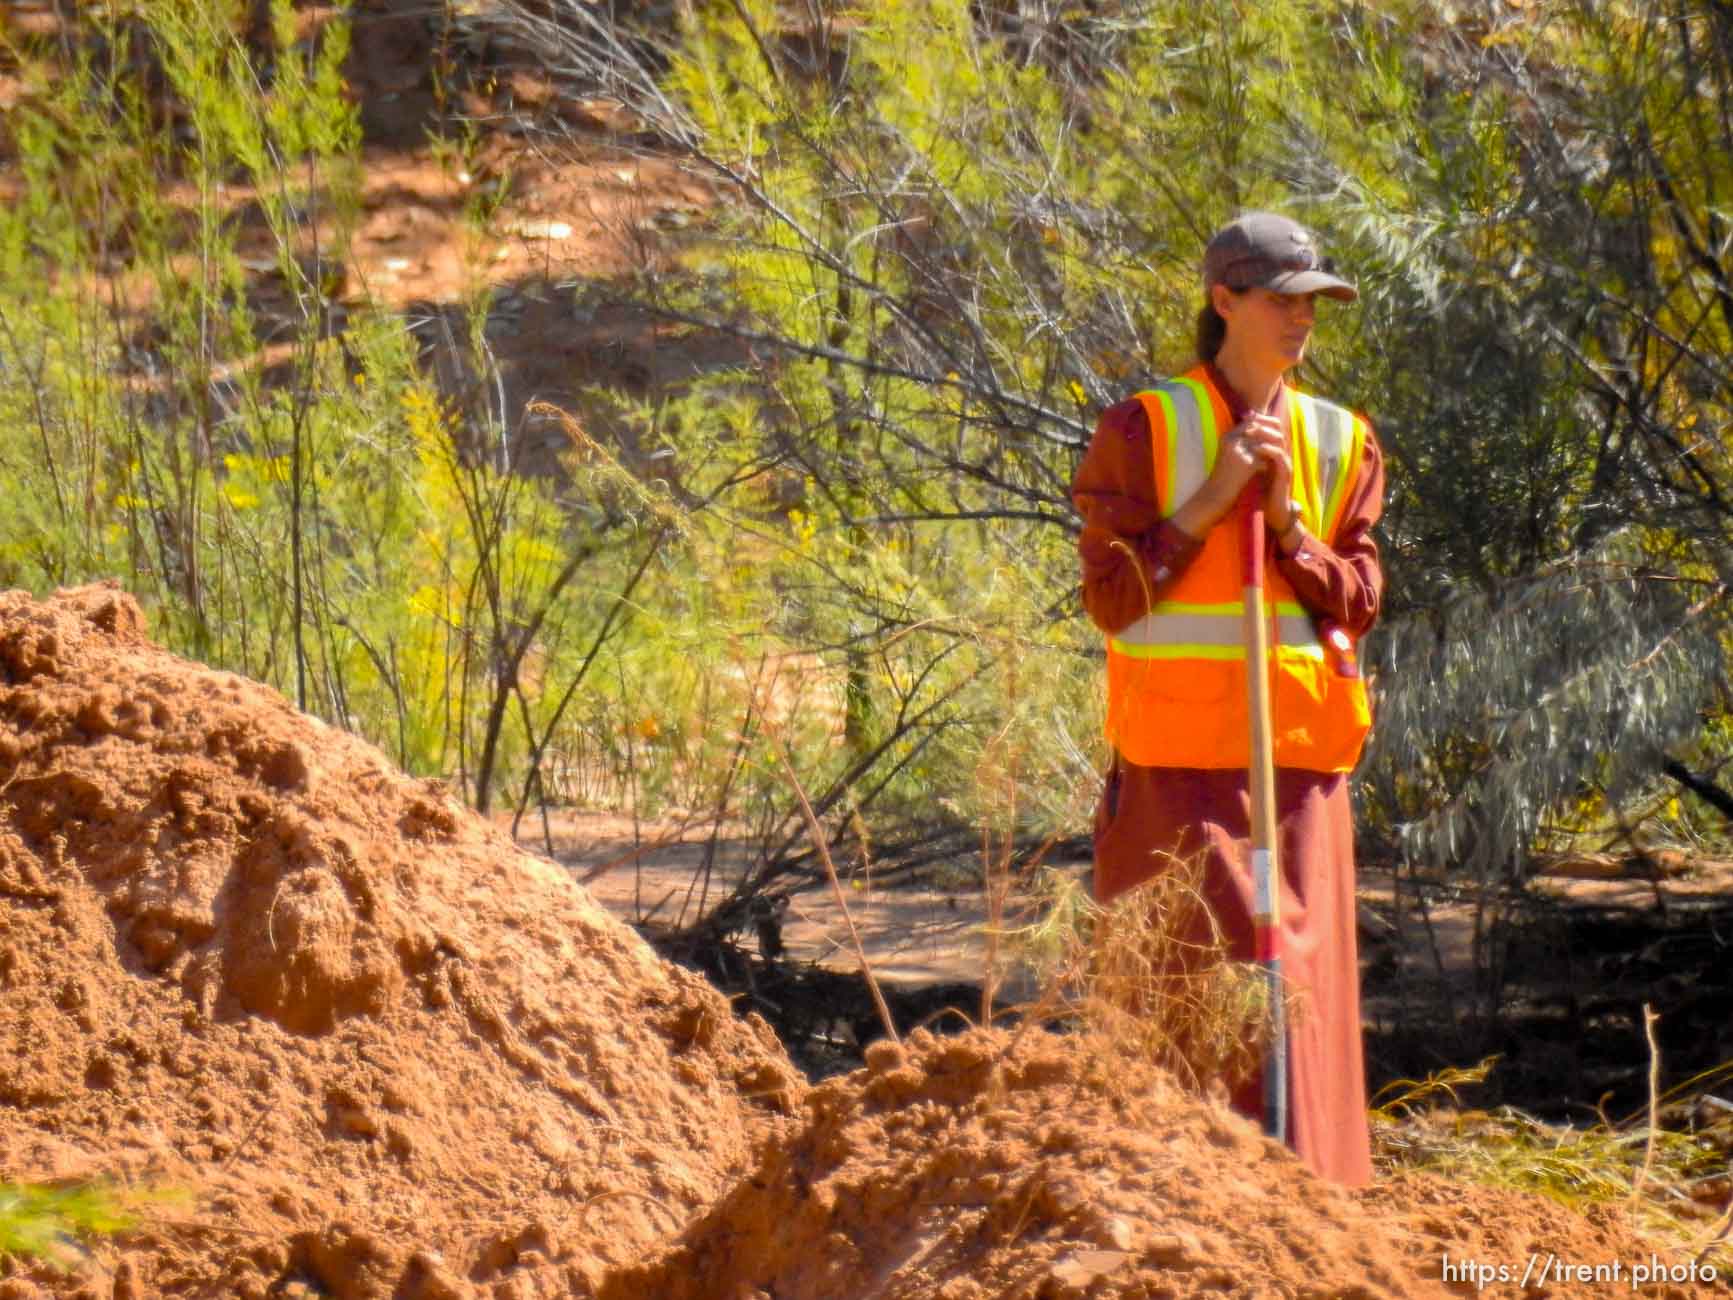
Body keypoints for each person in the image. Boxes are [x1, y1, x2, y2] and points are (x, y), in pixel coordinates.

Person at [1070, 211, 1385, 1186]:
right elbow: (1111, 600)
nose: (1301, 320)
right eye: (1280, 300)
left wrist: (1288, 525)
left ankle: (1308, 1225)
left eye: (1311, 303)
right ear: (1222, 301)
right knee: (1175, 1007)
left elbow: (1358, 601)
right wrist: (1209, 502)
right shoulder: (1144, 429)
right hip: (1171, 776)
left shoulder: (1338, 441)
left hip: (1297, 776)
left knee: (1299, 1015)